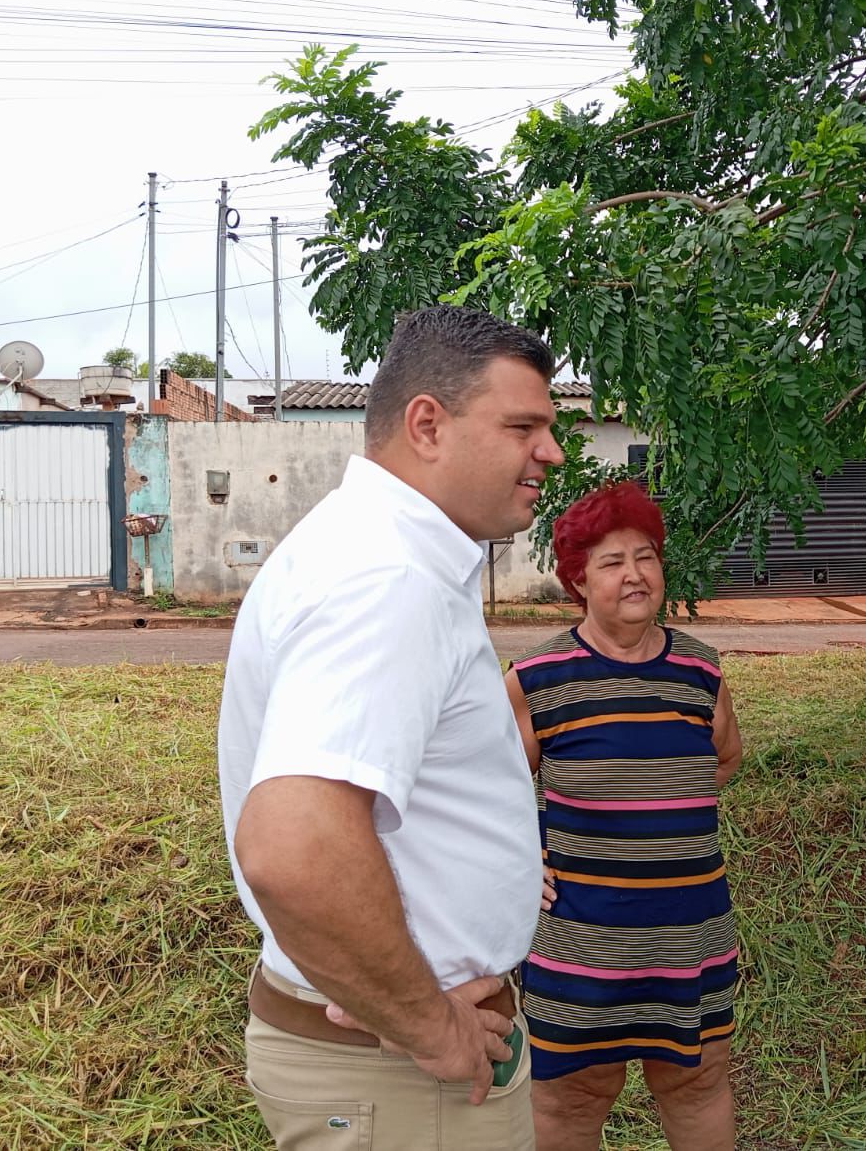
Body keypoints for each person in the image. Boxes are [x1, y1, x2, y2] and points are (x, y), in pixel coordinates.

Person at [217, 305, 565, 1149]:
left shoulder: (379, 555)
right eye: (524, 426)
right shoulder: (385, 576)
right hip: (400, 1081)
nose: (551, 453)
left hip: (393, 1073)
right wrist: (428, 1025)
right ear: (427, 425)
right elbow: (294, 849)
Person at [503, 481, 743, 1151]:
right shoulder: (538, 677)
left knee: (697, 1085)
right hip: (581, 941)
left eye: (646, 556)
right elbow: (486, 795)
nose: (635, 575)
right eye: (612, 562)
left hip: (688, 935)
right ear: (579, 580)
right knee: (570, 1099)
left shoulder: (701, 670)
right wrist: (524, 855)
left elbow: (724, 759)